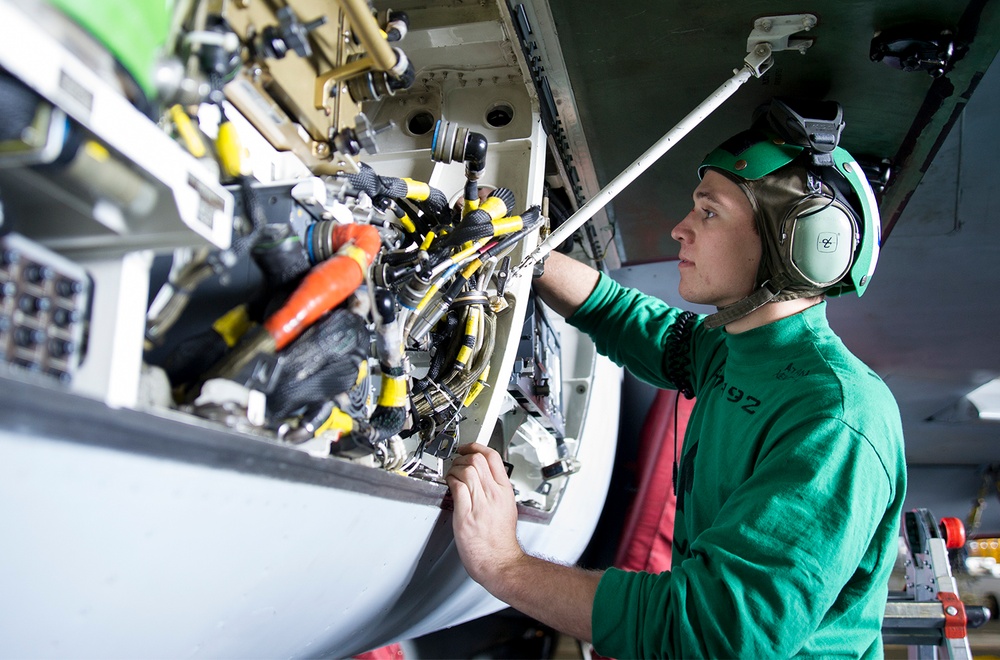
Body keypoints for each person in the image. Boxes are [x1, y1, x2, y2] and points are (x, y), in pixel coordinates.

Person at [445, 99, 907, 658]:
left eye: (708, 212)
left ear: (798, 244)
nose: (680, 230)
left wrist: (504, 565)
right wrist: (524, 258)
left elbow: (715, 633)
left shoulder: (836, 419)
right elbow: (646, 328)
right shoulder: (738, 349)